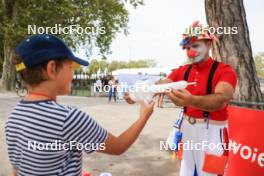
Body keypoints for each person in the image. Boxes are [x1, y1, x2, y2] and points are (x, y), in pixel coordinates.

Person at [5, 34, 155, 176]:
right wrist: (143, 117)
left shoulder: (13, 117)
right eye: (71, 67)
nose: (73, 74)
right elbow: (119, 146)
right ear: (52, 69)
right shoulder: (68, 118)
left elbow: (16, 170)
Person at [125, 21, 237, 176]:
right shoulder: (182, 71)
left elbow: (222, 100)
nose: (191, 52)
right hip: (188, 130)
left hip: (213, 133)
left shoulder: (224, 70)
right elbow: (159, 85)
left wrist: (191, 101)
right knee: (187, 172)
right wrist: (136, 94)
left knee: (211, 174)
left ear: (209, 44)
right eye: (187, 47)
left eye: (196, 46)